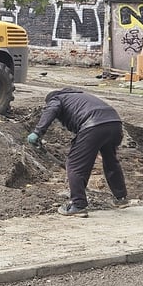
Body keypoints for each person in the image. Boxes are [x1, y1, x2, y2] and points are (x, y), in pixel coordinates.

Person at [27, 88, 127, 218]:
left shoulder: (56, 99)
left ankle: (78, 205)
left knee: (74, 165)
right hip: (115, 123)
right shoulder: (81, 96)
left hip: (93, 125)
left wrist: (38, 132)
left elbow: (51, 110)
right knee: (110, 161)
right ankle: (121, 198)